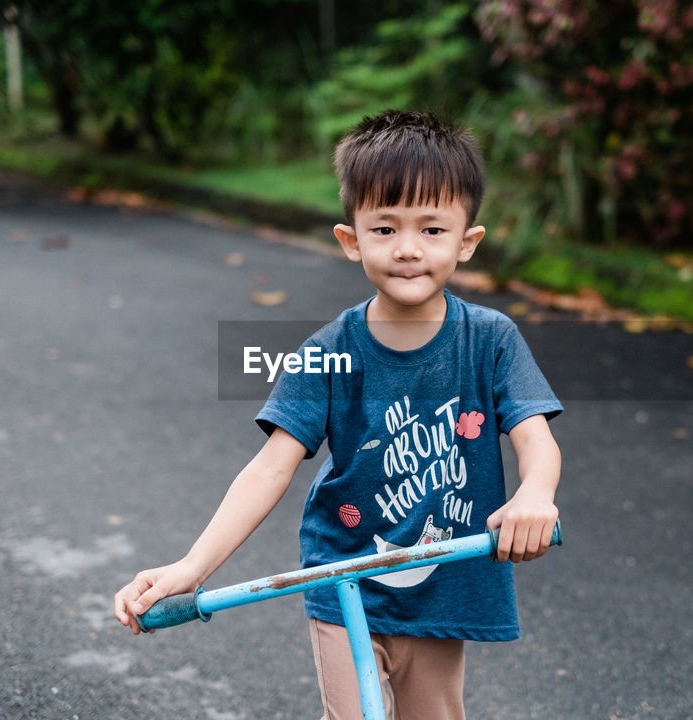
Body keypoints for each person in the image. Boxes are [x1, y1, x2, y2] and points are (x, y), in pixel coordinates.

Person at [114, 109, 563, 719]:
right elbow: (271, 467)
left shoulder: (491, 341)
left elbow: (535, 437)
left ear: (467, 242)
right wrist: (193, 566)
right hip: (345, 579)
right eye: (385, 228)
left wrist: (536, 493)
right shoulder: (327, 353)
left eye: (432, 230)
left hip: (444, 583)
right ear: (352, 240)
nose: (408, 249)